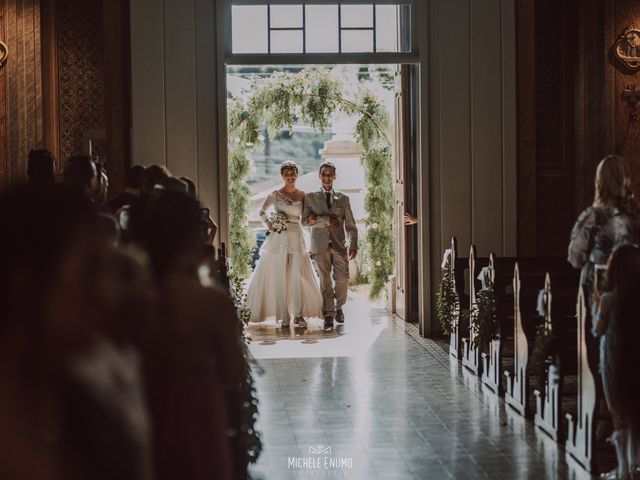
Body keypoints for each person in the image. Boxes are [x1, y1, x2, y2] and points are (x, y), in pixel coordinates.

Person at [137, 189, 245, 480]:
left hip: (145, 412)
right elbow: (235, 371)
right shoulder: (211, 301)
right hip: (200, 411)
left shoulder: (133, 298)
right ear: (192, 236)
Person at [246, 161, 323, 327]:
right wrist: (269, 224)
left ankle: (299, 314)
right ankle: (283, 316)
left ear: (297, 174)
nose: (290, 176)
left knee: (297, 275)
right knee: (280, 275)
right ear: (282, 176)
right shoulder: (275, 194)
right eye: (287, 174)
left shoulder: (303, 195)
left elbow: (306, 217)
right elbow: (261, 211)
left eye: (293, 173)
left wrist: (311, 220)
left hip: (296, 236)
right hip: (279, 238)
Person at [568, 155, 640, 312]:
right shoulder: (636, 216)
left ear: (600, 182)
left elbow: (575, 257)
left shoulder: (592, 217)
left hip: (597, 289)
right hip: (632, 290)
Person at [593, 244, 640, 479]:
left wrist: (596, 303)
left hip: (614, 359)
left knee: (619, 413)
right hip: (636, 356)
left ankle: (623, 470)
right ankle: (636, 465)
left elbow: (598, 330)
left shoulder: (608, 299)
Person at [302, 161, 358, 328]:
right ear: (319, 176)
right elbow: (304, 221)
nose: (326, 177)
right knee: (325, 280)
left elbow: (351, 225)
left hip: (339, 245)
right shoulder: (310, 198)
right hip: (319, 246)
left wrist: (353, 245)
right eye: (323, 174)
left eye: (329, 174)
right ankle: (329, 313)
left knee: (342, 280)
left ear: (334, 176)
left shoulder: (343, 199)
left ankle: (338, 306)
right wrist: (325, 220)